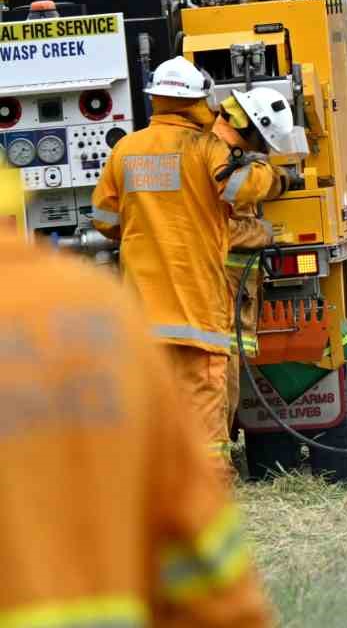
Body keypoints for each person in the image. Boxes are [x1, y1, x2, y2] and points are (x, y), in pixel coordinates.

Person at [0, 208, 275, 625]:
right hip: (199, 312)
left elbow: (107, 218)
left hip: (156, 302)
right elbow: (196, 548)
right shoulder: (97, 312)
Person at [92, 57, 284, 466]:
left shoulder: (125, 149)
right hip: (197, 312)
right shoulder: (205, 148)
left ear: (156, 99)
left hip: (142, 315)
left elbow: (104, 220)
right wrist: (271, 173)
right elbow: (239, 187)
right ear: (198, 98)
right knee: (205, 432)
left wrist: (144, 225)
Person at [215, 87, 307, 426]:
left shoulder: (216, 146)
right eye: (261, 144)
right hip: (220, 290)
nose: (262, 151)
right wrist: (262, 232)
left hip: (213, 289)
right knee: (219, 371)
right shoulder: (219, 157)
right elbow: (220, 224)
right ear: (251, 127)